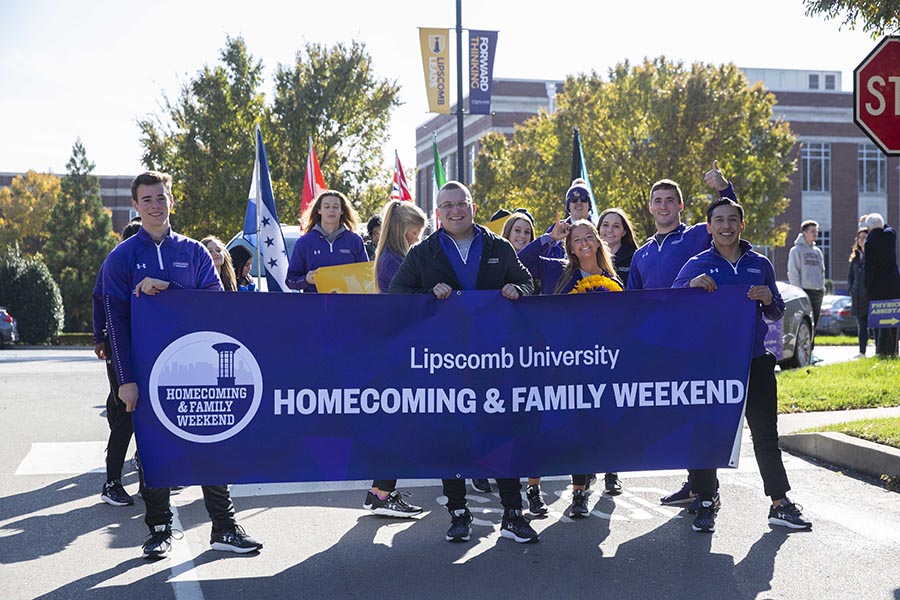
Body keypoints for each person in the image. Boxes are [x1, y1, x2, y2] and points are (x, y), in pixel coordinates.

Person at [102, 171, 262, 559]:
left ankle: (223, 527)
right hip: (147, 373)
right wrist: (125, 380)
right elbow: (114, 321)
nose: (155, 206)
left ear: (171, 201)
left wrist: (168, 289)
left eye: (161, 198)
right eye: (147, 200)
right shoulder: (121, 258)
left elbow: (215, 304)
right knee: (155, 451)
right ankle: (159, 529)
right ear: (135, 206)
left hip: (200, 369)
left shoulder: (193, 252)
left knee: (211, 444)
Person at [390, 180, 538, 544]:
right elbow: (396, 294)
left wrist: (517, 290)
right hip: (445, 363)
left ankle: (513, 514)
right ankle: (458, 513)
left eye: (461, 203)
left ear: (473, 206)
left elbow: (528, 282)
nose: (455, 211)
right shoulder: (424, 253)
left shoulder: (498, 246)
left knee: (501, 435)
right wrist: (429, 293)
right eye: (447, 206)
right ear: (437, 213)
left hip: (494, 361)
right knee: (451, 437)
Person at [673, 197, 813, 533]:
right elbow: (671, 303)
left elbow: (776, 312)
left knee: (766, 436)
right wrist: (691, 287)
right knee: (707, 434)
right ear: (709, 227)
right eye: (718, 220)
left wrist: (768, 298)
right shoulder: (697, 263)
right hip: (711, 365)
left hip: (754, 362)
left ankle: (780, 503)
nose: (725, 226)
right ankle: (706, 499)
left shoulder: (760, 263)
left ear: (742, 225)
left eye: (732, 220)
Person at [627, 161, 735, 507]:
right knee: (680, 417)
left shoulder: (695, 236)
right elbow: (632, 301)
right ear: (650, 207)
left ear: (680, 206)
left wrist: (723, 188)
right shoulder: (642, 253)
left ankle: (708, 490)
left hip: (697, 341)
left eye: (669, 200)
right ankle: (693, 484)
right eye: (657, 200)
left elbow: (727, 218)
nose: (663, 206)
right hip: (660, 345)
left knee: (700, 415)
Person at [518, 219, 623, 515]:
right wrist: (550, 236)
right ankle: (534, 489)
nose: (584, 242)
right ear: (571, 247)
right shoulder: (556, 271)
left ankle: (580, 495)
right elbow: (521, 259)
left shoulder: (611, 282)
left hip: (592, 368)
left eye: (589, 236)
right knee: (541, 428)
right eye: (577, 239)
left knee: (583, 428)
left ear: (598, 241)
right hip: (552, 363)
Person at [93, 218, 142, 507]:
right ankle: (112, 482)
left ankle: (147, 469)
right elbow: (100, 299)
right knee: (125, 412)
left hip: (147, 344)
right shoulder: (115, 263)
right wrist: (99, 336)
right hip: (120, 345)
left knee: (135, 410)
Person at [286, 190, 368, 292]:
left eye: (335, 206)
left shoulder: (354, 241)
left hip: (347, 304)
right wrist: (306, 280)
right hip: (314, 305)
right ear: (319, 210)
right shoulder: (304, 242)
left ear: (342, 211)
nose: (331, 210)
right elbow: (290, 280)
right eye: (327, 206)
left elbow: (366, 277)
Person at [787, 220, 825, 359]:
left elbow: (822, 271)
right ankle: (802, 353)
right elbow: (793, 272)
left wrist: (822, 287)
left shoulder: (817, 251)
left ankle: (811, 352)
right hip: (804, 291)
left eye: (816, 231)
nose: (815, 234)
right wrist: (798, 291)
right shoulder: (796, 250)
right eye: (812, 231)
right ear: (804, 233)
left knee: (814, 324)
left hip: (817, 291)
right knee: (805, 323)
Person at [864, 213, 900, 356]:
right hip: (894, 283)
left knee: (881, 321)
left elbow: (870, 267)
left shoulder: (870, 242)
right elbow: (888, 227)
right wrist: (879, 223)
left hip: (878, 286)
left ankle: (882, 350)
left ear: (869, 228)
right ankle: (894, 350)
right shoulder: (891, 236)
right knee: (893, 319)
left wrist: (868, 286)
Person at [541, 178, 595, 259]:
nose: (579, 202)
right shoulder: (556, 229)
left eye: (584, 199)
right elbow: (541, 255)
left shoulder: (599, 228)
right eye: (574, 199)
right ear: (568, 206)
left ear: (589, 205)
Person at [597, 208, 638, 284]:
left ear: (624, 232)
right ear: (598, 229)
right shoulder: (590, 257)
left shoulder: (635, 258)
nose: (610, 230)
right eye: (605, 225)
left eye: (616, 226)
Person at [847, 226, 870, 356]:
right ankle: (862, 351)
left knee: (873, 325)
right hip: (857, 296)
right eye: (859, 238)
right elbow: (850, 276)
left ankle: (879, 350)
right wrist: (851, 289)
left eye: (864, 237)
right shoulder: (855, 257)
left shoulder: (872, 256)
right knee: (861, 326)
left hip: (869, 296)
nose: (862, 240)